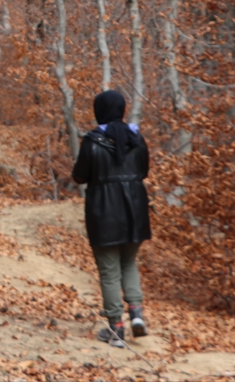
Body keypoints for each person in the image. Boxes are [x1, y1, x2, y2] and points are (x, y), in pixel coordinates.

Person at [71, 90, 152, 347]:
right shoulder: (136, 138)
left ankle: (116, 329)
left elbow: (79, 176)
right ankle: (136, 314)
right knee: (128, 262)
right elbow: (143, 171)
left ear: (99, 111)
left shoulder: (93, 142)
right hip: (135, 210)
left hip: (104, 212)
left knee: (109, 272)